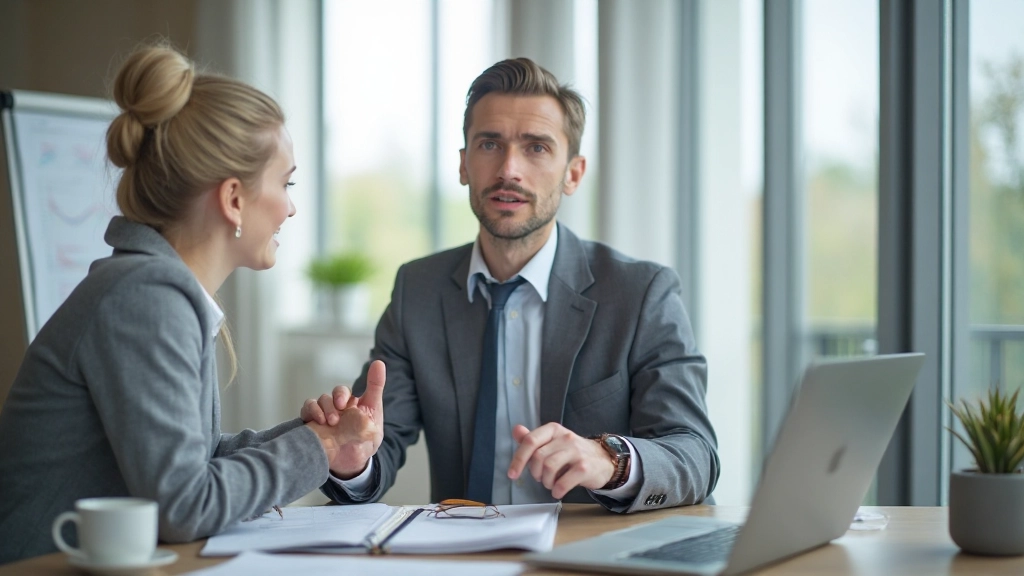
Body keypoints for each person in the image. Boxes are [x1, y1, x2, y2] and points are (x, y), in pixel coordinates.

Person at [0, 44, 385, 564]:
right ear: (232, 199)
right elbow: (185, 504)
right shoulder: (146, 297)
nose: (292, 207)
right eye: (286, 183)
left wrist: (327, 439)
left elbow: (194, 463)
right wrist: (318, 447)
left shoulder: (154, 287)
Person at [305, 57, 718, 513]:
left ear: (574, 173)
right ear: (464, 165)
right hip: (463, 554)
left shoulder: (641, 293)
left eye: (537, 147)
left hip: (589, 551)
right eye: (489, 144)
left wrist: (612, 460)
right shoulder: (416, 291)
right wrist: (350, 461)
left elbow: (695, 453)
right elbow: (375, 443)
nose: (509, 170)